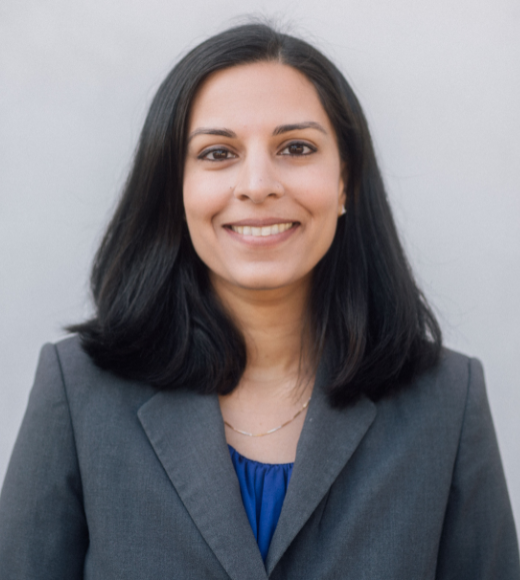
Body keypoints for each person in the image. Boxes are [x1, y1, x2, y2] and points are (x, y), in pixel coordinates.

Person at [0, 22, 518, 580]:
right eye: (218, 153)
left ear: (346, 182)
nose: (257, 184)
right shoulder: (78, 392)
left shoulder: (448, 400)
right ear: (175, 189)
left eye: (296, 148)